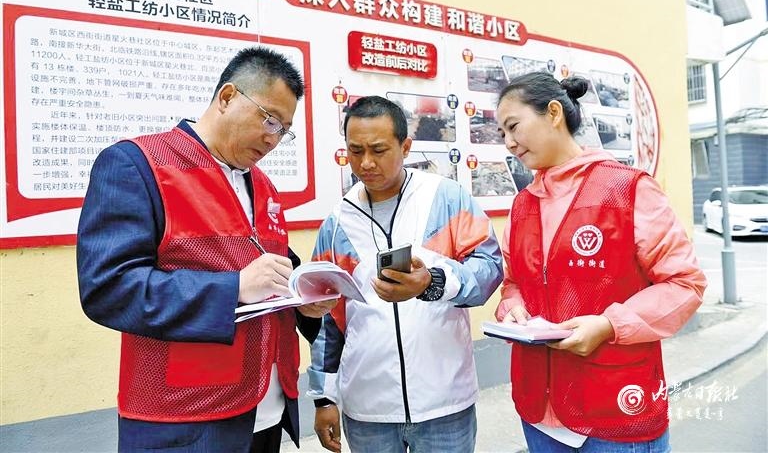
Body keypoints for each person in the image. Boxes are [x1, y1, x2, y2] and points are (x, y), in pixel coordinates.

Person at [77, 46, 335, 453]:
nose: (273, 138)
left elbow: (273, 271)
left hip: (267, 410)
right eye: (268, 119)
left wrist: (305, 300)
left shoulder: (263, 184)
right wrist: (233, 288)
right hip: (185, 417)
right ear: (228, 97)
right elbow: (108, 289)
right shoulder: (137, 164)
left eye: (284, 129)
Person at [494, 72, 707, 452]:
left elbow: (684, 283)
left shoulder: (628, 188)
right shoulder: (522, 204)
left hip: (613, 409)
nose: (508, 142)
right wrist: (512, 308)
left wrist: (609, 325)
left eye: (513, 127)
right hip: (538, 410)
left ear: (554, 113)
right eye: (502, 134)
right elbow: (514, 283)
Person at [308, 96, 504, 452]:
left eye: (379, 150)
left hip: (445, 401)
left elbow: (490, 269)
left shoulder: (446, 198)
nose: (366, 163)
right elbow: (328, 320)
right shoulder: (337, 224)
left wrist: (434, 281)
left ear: (406, 146)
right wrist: (323, 397)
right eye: (355, 151)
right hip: (368, 406)